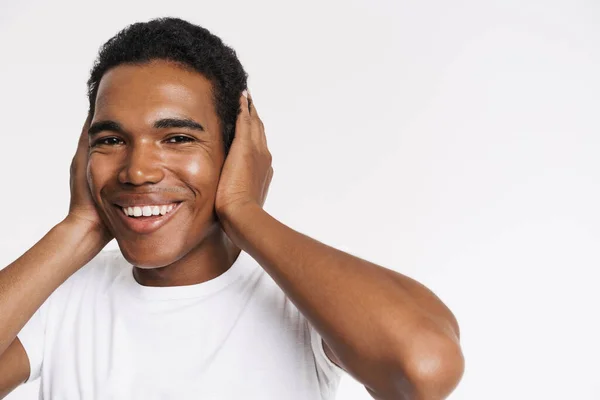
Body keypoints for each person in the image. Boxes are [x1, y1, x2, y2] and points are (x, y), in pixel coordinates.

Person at [0, 17, 464, 400]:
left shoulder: (303, 298)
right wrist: (77, 228)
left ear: (236, 152)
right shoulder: (63, 297)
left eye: (177, 138)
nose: (137, 171)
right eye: (111, 140)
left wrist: (244, 211)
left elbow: (424, 367)